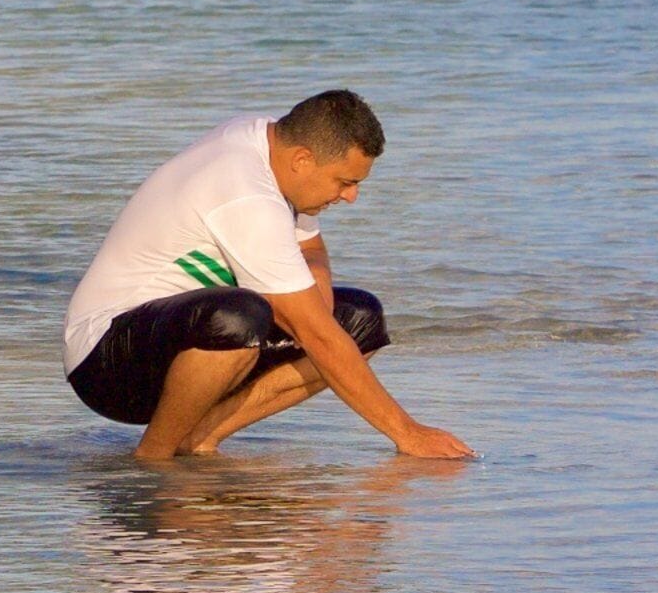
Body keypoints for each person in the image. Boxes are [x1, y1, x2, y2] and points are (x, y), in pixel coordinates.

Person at [62, 90, 471, 463]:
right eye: (345, 182)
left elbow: (310, 247)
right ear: (302, 160)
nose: (351, 197)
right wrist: (408, 434)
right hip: (106, 362)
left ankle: (200, 436)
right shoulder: (247, 194)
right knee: (241, 317)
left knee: (361, 320)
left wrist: (319, 297)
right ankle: (154, 458)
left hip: (192, 346)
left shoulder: (269, 145)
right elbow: (317, 337)